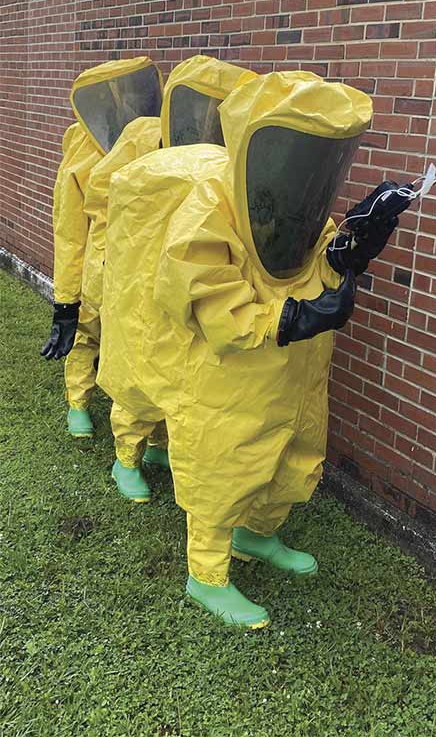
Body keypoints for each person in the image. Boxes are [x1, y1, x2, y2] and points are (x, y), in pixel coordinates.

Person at [98, 70, 397, 628]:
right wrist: (293, 318)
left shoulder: (292, 203)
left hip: (293, 370)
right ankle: (205, 574)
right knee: (225, 462)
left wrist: (356, 242)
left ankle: (257, 533)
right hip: (233, 373)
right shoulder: (211, 211)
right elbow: (215, 306)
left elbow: (311, 259)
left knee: (289, 449)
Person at [83, 55, 254, 503]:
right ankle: (127, 457)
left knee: (180, 372)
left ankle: (162, 447)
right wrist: (98, 279)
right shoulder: (141, 139)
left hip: (193, 274)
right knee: (139, 368)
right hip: (137, 269)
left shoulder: (232, 165)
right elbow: (103, 199)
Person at [40, 58, 163, 443]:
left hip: (141, 265)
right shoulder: (83, 148)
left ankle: (143, 429)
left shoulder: (156, 139)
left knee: (138, 345)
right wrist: (66, 302)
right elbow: (70, 230)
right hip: (98, 265)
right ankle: (78, 401)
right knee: (87, 333)